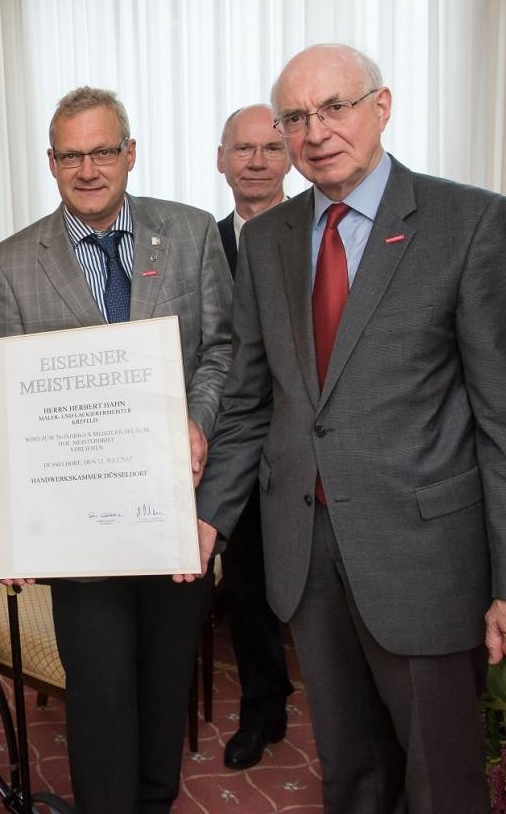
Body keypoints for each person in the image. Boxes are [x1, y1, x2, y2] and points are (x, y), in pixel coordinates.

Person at [194, 44, 506, 812]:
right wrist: (207, 519)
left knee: (440, 781)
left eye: (335, 107)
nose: (315, 130)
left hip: (425, 562)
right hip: (308, 558)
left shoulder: (467, 222)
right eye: (296, 116)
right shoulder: (267, 242)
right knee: (351, 773)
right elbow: (249, 403)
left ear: (381, 106)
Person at [0, 87, 233, 813]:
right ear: (50, 162)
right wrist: (18, 514)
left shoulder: (189, 234)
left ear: (129, 153)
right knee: (97, 695)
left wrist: (197, 419)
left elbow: (221, 351)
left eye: (101, 151)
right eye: (70, 154)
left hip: (170, 515)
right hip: (76, 526)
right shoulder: (11, 263)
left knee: (163, 686)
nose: (86, 168)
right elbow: (9, 397)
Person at [213, 104, 295, 770]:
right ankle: (262, 708)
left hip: (309, 448)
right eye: (243, 149)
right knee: (246, 589)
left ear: (290, 155)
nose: (257, 160)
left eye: (271, 147)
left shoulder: (321, 233)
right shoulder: (197, 245)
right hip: (229, 448)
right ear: (221, 159)